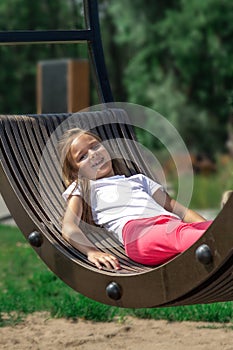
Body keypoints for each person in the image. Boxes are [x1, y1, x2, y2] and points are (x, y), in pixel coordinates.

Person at [60, 128, 213, 271]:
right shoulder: (83, 187)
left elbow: (179, 210)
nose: (93, 154)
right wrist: (91, 252)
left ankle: (217, 238)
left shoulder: (139, 180)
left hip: (171, 226)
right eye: (82, 156)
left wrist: (211, 228)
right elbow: (68, 226)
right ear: (76, 172)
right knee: (184, 235)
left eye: (95, 146)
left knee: (211, 228)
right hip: (139, 235)